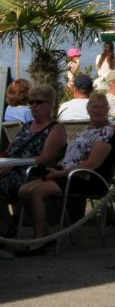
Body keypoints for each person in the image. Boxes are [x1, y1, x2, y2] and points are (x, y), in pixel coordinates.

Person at [17, 92, 115, 254]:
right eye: (94, 106)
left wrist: (60, 174)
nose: (98, 110)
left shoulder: (106, 133)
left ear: (107, 109)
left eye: (102, 107)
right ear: (88, 109)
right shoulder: (87, 130)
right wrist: (58, 169)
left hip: (86, 178)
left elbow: (91, 165)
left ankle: (38, 242)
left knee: (35, 192)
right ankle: (47, 234)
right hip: (67, 173)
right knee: (24, 191)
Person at [0, 83, 66, 237]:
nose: (34, 106)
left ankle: (7, 226)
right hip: (13, 168)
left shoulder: (55, 129)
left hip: (34, 173)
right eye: (31, 102)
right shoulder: (27, 126)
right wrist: (7, 160)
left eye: (39, 102)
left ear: (50, 104)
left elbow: (45, 159)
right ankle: (7, 223)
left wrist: (14, 164)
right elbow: (10, 151)